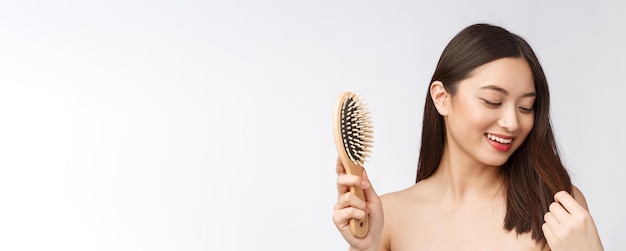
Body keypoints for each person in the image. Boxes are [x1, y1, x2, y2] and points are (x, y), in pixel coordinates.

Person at [332, 23, 604, 251]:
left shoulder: (557, 208)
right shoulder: (388, 217)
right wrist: (364, 248)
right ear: (442, 98)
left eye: (525, 107)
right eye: (492, 101)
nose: (511, 123)